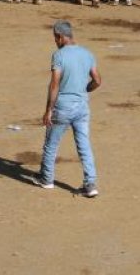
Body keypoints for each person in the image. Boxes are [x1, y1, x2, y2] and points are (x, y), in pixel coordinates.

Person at [33, 20, 101, 197]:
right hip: (82, 107)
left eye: (56, 38)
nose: (55, 41)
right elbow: (98, 80)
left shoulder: (59, 55)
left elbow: (54, 84)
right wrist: (85, 89)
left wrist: (49, 109)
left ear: (61, 37)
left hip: (63, 107)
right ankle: (90, 184)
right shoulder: (87, 53)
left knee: (51, 145)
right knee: (84, 146)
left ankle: (46, 179)